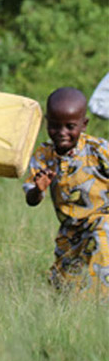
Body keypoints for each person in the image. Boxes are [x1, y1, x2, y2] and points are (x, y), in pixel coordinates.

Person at [23, 88, 108, 299]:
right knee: (64, 287)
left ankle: (97, 304)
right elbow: (31, 199)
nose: (62, 132)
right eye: (54, 125)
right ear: (46, 123)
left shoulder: (97, 149)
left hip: (102, 220)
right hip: (71, 230)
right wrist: (38, 189)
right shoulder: (44, 156)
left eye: (70, 126)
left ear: (83, 124)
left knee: (102, 244)